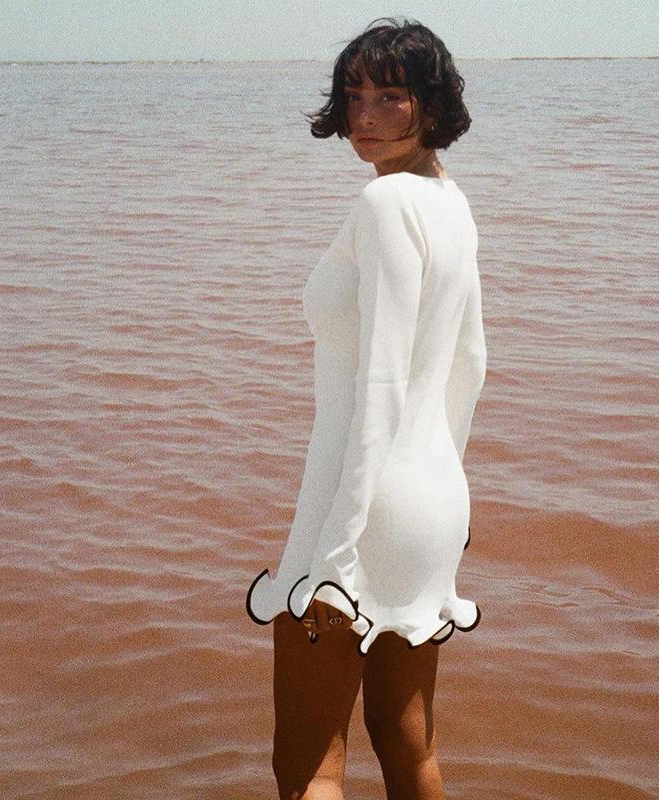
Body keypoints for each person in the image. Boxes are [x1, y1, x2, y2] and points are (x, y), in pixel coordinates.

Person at [246, 16, 487, 800]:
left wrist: (339, 553)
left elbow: (380, 385)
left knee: (308, 764)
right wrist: (445, 490)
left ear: (431, 104)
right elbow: (472, 366)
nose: (365, 116)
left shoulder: (384, 205)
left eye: (390, 96)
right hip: (431, 503)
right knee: (408, 747)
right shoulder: (451, 201)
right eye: (354, 96)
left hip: (364, 507)